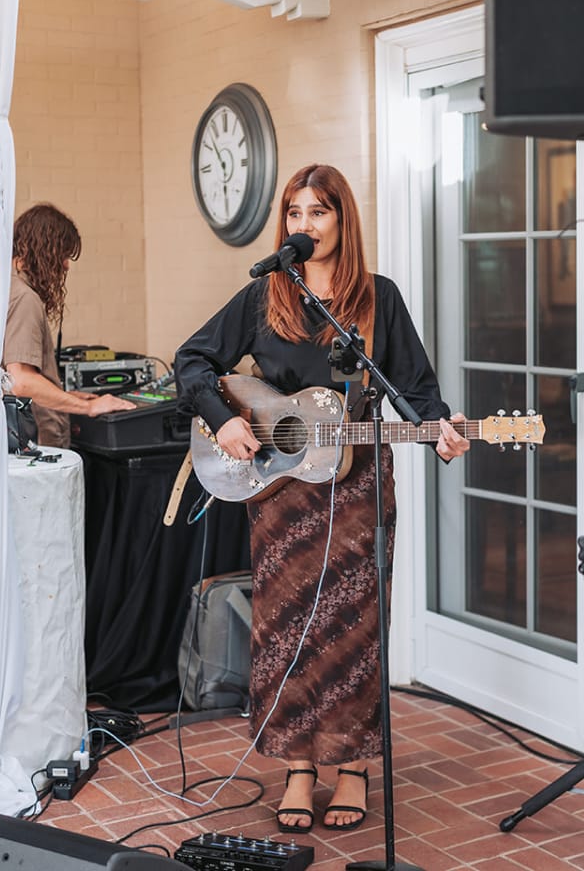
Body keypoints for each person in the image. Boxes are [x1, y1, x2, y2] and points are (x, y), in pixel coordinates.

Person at [174, 164, 469, 833]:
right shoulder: (265, 296)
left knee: (356, 629)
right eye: (294, 214)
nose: (303, 225)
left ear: (343, 220)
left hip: (361, 486)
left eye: (318, 212)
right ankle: (299, 771)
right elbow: (192, 359)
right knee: (287, 633)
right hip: (283, 495)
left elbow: (414, 389)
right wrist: (225, 420)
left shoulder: (377, 298)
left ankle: (354, 768)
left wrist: (443, 427)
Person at [0, 203, 134, 447]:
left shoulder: (1, 291)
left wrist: (63, 397)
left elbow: (7, 383)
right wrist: (90, 406)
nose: (65, 265)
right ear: (42, 250)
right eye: (61, 255)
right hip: (32, 456)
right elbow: (21, 382)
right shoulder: (24, 298)